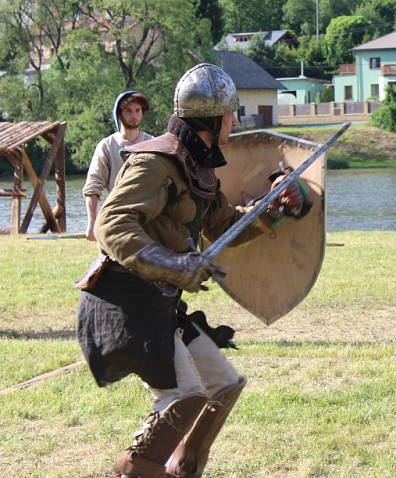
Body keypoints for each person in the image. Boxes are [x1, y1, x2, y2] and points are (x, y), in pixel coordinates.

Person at [75, 63, 308, 477]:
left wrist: (271, 208)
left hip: (159, 302)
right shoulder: (155, 161)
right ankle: (133, 471)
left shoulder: (197, 167)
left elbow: (222, 226)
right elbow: (110, 223)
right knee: (185, 395)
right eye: (231, 114)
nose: (235, 121)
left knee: (223, 385)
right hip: (124, 300)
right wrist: (175, 265)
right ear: (212, 118)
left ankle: (183, 469)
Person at [83, 91, 154, 241]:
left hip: (150, 217)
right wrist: (92, 223)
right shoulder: (107, 146)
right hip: (117, 216)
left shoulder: (153, 144)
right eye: (128, 110)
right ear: (119, 114)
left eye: (137, 110)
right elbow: (93, 186)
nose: (134, 115)